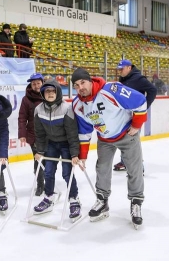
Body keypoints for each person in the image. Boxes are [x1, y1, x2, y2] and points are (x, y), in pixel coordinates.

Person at [71, 67, 147, 228]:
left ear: (90, 81)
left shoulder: (110, 90)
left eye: (83, 82)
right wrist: (83, 155)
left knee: (134, 169)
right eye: (76, 85)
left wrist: (137, 124)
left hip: (127, 134)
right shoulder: (78, 105)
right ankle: (102, 201)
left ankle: (136, 202)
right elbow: (84, 131)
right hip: (104, 139)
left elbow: (140, 101)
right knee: (102, 169)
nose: (80, 88)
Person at [33, 79, 81, 222]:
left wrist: (74, 153)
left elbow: (72, 133)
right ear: (43, 93)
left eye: (53, 91)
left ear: (58, 92)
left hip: (66, 144)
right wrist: (40, 151)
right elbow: (40, 133)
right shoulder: (38, 109)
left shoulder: (67, 108)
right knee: (48, 171)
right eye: (47, 91)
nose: (50, 94)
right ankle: (48, 198)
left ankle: (74, 199)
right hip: (51, 144)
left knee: (67, 173)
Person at [113, 59, 157, 171]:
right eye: (119, 69)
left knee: (133, 141)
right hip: (123, 114)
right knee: (123, 139)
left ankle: (138, 166)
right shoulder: (123, 79)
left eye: (121, 69)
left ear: (129, 67)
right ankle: (124, 162)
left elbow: (152, 90)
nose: (120, 71)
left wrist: (144, 106)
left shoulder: (139, 79)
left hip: (135, 116)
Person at [18, 73, 45, 196]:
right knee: (38, 159)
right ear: (31, 85)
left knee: (48, 160)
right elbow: (22, 118)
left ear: (42, 83)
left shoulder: (48, 94)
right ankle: (40, 184)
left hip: (49, 134)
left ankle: (48, 182)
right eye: (33, 84)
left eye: (38, 83)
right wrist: (22, 134)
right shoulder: (26, 99)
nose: (36, 85)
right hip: (33, 135)